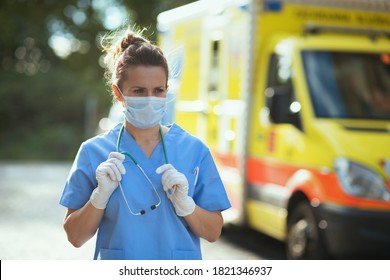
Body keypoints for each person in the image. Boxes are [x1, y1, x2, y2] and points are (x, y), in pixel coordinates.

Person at [59, 27, 231, 260]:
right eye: (138, 91)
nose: (149, 98)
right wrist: (98, 197)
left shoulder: (194, 150)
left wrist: (187, 207)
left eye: (158, 90)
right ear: (118, 93)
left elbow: (213, 232)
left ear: (167, 91)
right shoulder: (93, 152)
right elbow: (75, 237)